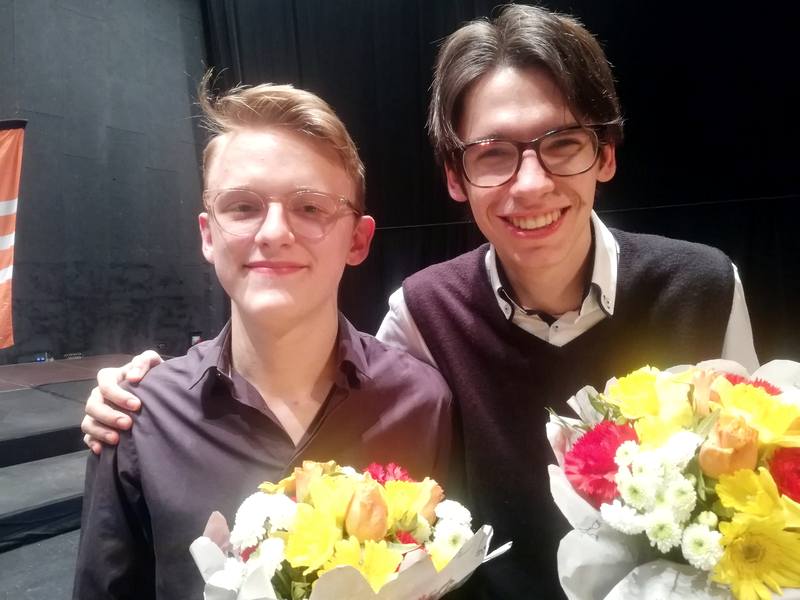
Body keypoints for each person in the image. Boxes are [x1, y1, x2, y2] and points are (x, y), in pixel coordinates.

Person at [80, 5, 758, 598]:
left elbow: (767, 494)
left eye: (562, 144)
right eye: (492, 154)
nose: (529, 183)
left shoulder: (704, 287)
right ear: (456, 177)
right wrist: (152, 386)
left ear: (605, 153)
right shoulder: (422, 317)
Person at [72, 76, 452, 599]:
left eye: (311, 207)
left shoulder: (423, 404)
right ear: (209, 234)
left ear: (358, 240)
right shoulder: (139, 421)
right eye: (244, 207)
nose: (273, 232)